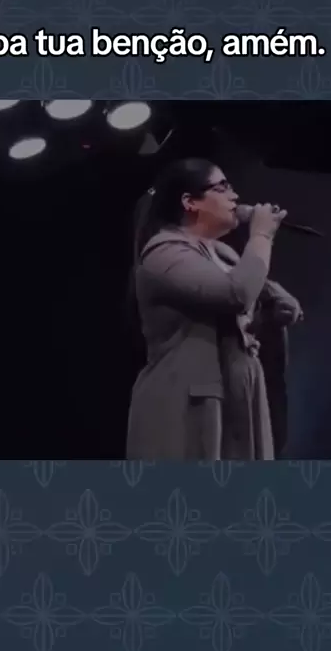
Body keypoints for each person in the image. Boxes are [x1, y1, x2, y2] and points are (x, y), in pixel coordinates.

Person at [127, 158, 303, 461]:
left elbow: (232, 322)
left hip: (237, 399)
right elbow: (236, 294)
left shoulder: (223, 254)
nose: (235, 196)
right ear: (190, 202)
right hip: (188, 403)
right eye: (222, 187)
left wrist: (270, 316)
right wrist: (261, 236)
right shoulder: (163, 252)